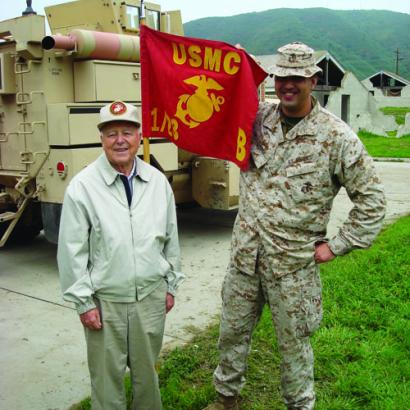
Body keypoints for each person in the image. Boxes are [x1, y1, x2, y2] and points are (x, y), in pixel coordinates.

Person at [205, 42, 386, 410]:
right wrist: (231, 63)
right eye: (282, 77)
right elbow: (213, 107)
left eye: (297, 78)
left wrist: (336, 245)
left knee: (294, 347)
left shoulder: (337, 138)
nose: (288, 84)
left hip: (293, 268)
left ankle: (299, 405)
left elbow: (373, 203)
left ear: (313, 80)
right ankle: (226, 400)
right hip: (245, 258)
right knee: (232, 334)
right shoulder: (256, 119)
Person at [57, 101, 184, 410]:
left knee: (147, 376)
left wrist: (170, 284)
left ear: (139, 136)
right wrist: (83, 303)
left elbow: (170, 238)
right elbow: (71, 251)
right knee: (106, 380)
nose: (120, 140)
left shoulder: (156, 182)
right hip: (105, 303)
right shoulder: (82, 187)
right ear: (101, 139)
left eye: (127, 132)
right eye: (111, 133)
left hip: (150, 299)